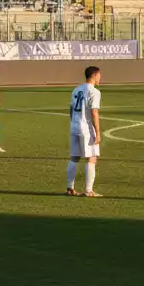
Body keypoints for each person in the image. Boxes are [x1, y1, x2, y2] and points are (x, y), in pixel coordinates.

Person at [66, 65, 103, 197]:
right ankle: (89, 190)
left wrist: (73, 123)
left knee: (74, 158)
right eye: (99, 75)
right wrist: (97, 132)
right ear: (94, 75)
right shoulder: (94, 92)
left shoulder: (76, 90)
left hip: (74, 126)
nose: (100, 78)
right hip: (86, 129)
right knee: (91, 158)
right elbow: (94, 112)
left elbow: (71, 109)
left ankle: (70, 188)